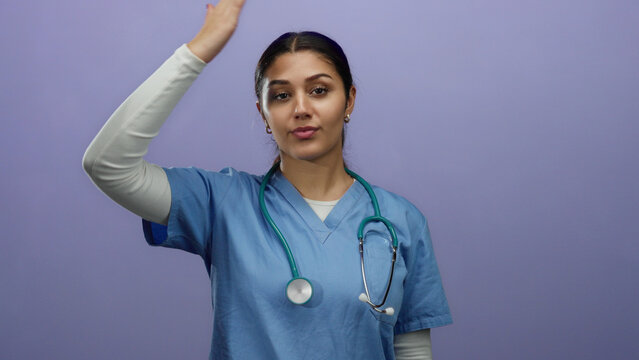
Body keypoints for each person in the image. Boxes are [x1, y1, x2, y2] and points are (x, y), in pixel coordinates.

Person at [82, 1, 452, 359]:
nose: (301, 108)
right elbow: (107, 164)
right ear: (263, 113)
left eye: (319, 90)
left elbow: (411, 349)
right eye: (281, 95)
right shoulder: (222, 203)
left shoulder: (400, 221)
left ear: (349, 100)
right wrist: (199, 51)